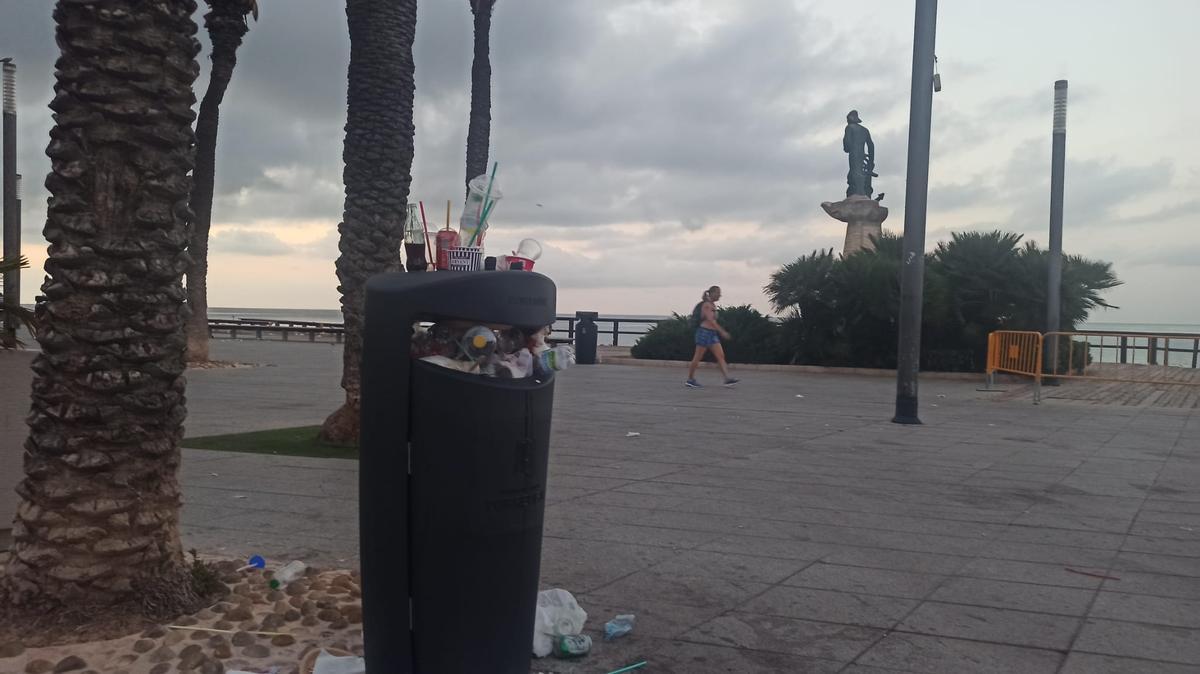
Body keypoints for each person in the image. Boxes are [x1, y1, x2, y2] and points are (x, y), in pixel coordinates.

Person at [685, 286, 739, 388]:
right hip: (704, 333)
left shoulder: (712, 305)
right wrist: (722, 332)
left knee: (720, 356)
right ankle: (690, 379)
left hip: (712, 334)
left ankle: (727, 379)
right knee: (697, 357)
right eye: (718, 293)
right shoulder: (707, 305)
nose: (720, 295)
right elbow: (710, 320)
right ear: (712, 293)